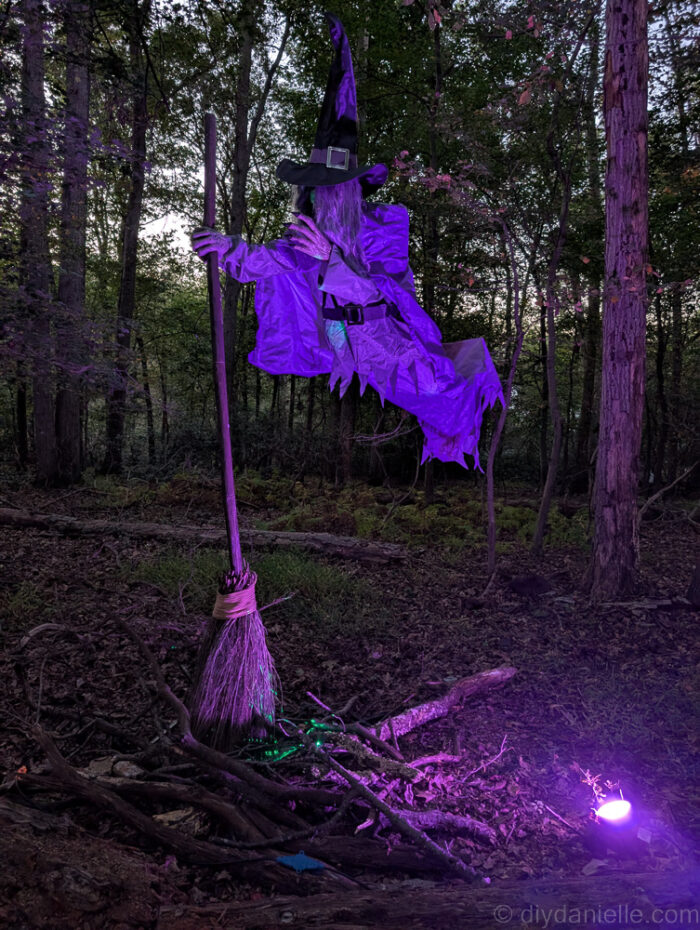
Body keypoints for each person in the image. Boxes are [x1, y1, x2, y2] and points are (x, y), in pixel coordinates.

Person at [192, 13, 502, 467]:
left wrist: (334, 259)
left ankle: (456, 431)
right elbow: (271, 260)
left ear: (350, 192)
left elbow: (390, 294)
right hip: (339, 343)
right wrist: (229, 248)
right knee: (428, 392)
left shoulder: (379, 232)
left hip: (382, 338)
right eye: (315, 188)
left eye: (331, 188)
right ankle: (448, 425)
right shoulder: (306, 231)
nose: (322, 197)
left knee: (438, 388)